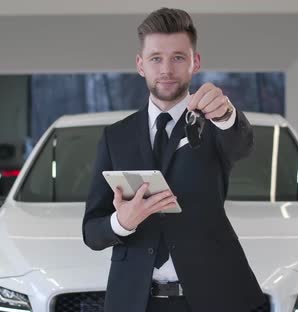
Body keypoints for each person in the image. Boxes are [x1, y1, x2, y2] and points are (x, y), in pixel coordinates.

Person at [82, 8, 266, 312]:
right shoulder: (116, 137)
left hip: (214, 299)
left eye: (178, 57)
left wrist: (226, 115)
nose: (166, 68)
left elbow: (241, 144)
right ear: (141, 65)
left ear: (195, 62)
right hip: (134, 302)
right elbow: (92, 231)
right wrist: (121, 223)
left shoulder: (216, 122)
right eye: (156, 58)